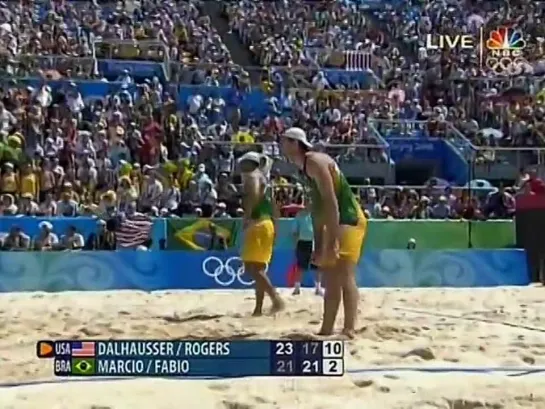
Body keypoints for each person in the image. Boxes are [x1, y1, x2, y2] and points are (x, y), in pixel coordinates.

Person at [281, 127, 367, 338]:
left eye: (284, 140)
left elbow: (331, 201)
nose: (281, 144)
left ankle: (348, 329)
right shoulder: (305, 169)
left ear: (295, 143)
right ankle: (327, 329)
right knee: (330, 277)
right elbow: (318, 209)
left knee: (344, 274)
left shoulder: (315, 162)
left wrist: (334, 240)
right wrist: (319, 246)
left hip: (348, 219)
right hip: (334, 221)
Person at [238, 151, 284, 316]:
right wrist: (276, 228)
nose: (240, 167)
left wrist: (247, 217)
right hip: (267, 224)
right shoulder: (266, 180)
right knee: (259, 269)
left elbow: (253, 196)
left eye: (242, 163)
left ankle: (276, 299)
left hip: (257, 223)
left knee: (252, 268)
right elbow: (275, 209)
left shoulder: (252, 176)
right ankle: (258, 309)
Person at [292, 201, 323, 296]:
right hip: (303, 242)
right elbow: (294, 231)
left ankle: (318, 288)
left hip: (315, 242)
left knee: (318, 266)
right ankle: (297, 288)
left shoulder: (317, 215)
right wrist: (297, 242)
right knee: (300, 266)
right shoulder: (300, 215)